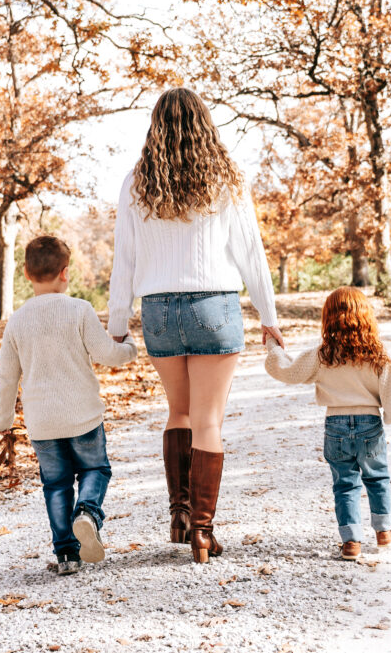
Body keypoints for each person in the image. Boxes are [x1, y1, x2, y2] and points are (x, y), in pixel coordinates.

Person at [107, 87, 283, 564]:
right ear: (205, 124)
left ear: (155, 126)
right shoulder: (226, 180)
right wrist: (268, 317)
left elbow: (124, 260)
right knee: (208, 421)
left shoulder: (135, 183)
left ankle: (180, 516)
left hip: (160, 309)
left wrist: (116, 324)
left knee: (178, 414)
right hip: (214, 305)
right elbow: (252, 254)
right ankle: (203, 534)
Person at [0, 236, 137, 575]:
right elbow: (106, 354)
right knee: (95, 470)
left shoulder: (18, 320)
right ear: (65, 273)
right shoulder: (79, 310)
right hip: (82, 415)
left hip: (42, 423)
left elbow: (6, 376)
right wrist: (129, 346)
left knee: (55, 485)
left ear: (27, 273)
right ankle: (87, 513)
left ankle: (66, 556)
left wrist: (3, 420)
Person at [264, 286, 391, 560]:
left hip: (335, 425)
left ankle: (351, 542)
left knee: (345, 484)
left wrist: (272, 344)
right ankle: (384, 532)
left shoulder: (323, 355)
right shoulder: (377, 356)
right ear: (366, 317)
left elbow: (287, 371)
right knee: (377, 478)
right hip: (369, 425)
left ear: (329, 318)